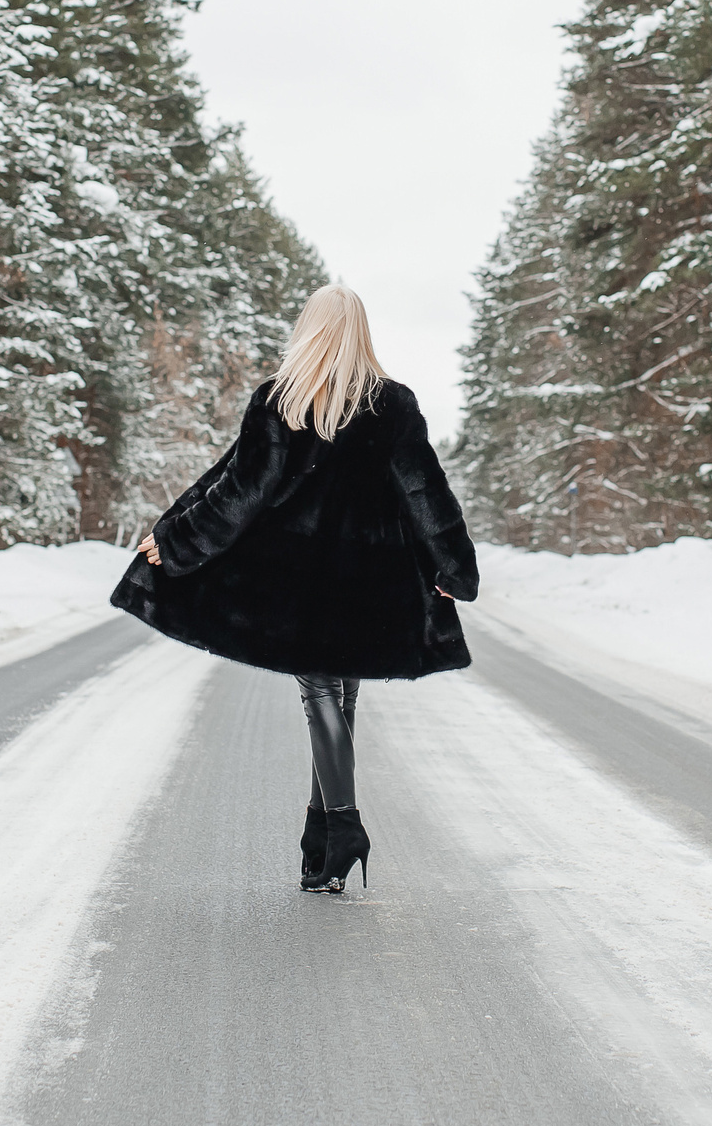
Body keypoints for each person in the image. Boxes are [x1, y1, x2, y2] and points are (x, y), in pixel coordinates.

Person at [112, 284, 477, 892]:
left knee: (319, 695)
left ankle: (343, 826)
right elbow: (425, 493)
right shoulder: (395, 405)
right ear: (361, 332)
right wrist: (454, 566)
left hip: (304, 588)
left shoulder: (284, 400)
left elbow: (238, 493)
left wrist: (176, 544)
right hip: (368, 583)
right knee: (342, 696)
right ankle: (319, 840)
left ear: (309, 330)